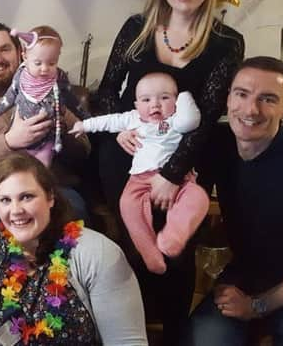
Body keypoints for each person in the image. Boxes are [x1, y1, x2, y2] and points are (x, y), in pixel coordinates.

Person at [89, 0, 244, 345]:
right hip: (130, 148)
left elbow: (208, 118)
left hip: (189, 154)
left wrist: (172, 175)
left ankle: (174, 332)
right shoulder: (136, 29)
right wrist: (119, 128)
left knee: (177, 245)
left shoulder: (226, 42)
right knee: (134, 236)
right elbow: (106, 92)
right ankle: (130, 331)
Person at [0, 152, 148, 345]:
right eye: (5, 200)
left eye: (27, 197)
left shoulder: (99, 253)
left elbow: (127, 342)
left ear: (50, 197)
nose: (16, 210)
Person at [182, 56, 283, 345]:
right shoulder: (216, 144)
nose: (250, 110)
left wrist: (258, 306)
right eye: (242, 94)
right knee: (204, 340)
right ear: (227, 97)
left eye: (268, 99)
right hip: (241, 280)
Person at [0, 22, 91, 244]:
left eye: (5, 49)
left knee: (75, 220)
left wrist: (59, 131)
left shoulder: (51, 87)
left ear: (20, 53)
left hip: (47, 186)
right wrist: (9, 141)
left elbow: (84, 147)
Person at [71, 72, 208, 274]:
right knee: (127, 204)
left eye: (164, 98)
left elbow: (191, 121)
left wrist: (185, 97)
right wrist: (84, 125)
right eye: (146, 100)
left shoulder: (176, 120)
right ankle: (149, 252)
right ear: (136, 105)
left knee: (199, 198)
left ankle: (173, 238)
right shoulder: (133, 119)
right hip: (139, 179)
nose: (155, 105)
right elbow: (110, 121)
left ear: (176, 101)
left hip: (178, 178)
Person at [0, 25, 88, 167]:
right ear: (25, 56)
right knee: (17, 165)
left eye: (52, 63)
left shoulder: (59, 78)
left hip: (48, 138)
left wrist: (87, 120)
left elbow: (72, 101)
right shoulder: (20, 76)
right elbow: (10, 96)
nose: (44, 69)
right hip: (18, 140)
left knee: (42, 166)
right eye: (38, 63)